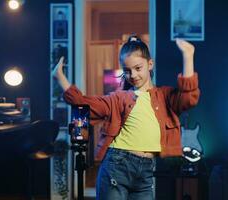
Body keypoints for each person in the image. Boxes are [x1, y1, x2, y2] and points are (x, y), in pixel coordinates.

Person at [52, 35, 200, 200]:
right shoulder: (118, 98)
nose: (133, 75)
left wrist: (188, 56)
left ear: (150, 64)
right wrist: (60, 78)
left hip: (146, 171)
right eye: (127, 70)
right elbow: (84, 104)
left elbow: (188, 98)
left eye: (138, 68)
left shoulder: (165, 96)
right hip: (117, 164)